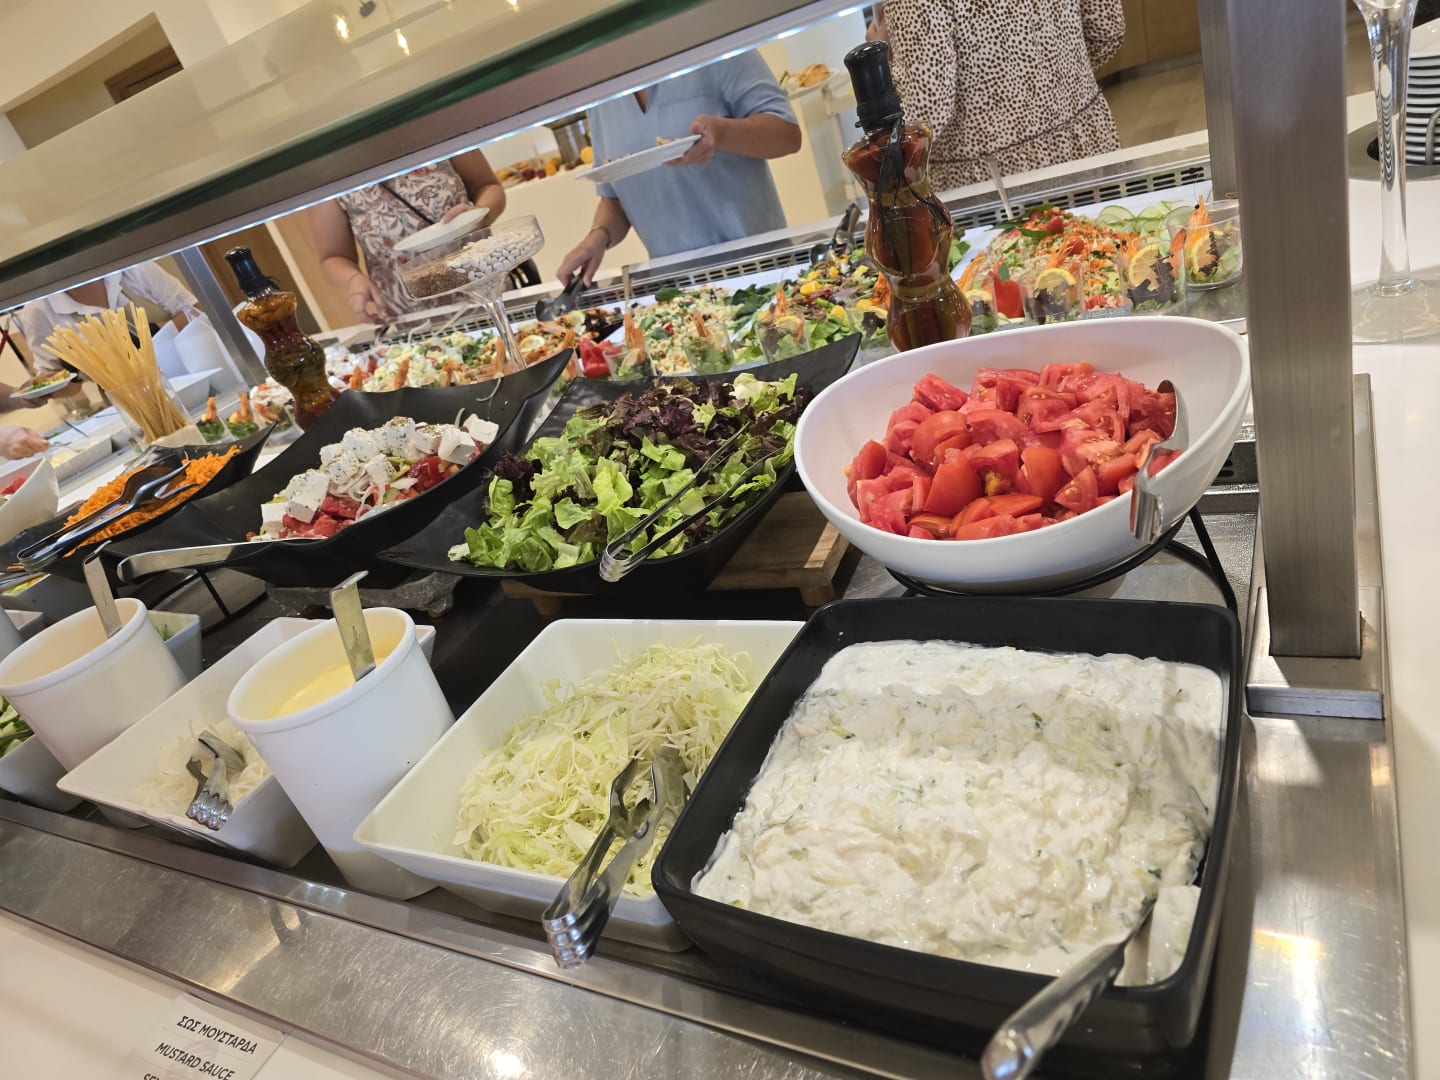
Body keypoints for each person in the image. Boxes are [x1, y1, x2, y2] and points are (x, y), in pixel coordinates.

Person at [555, 51, 803, 286]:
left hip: (761, 268)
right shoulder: (600, 95)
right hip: (676, 289)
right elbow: (615, 199)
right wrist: (598, 237)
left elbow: (788, 135)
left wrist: (721, 133)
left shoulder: (711, 43)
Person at [876, 0, 1124, 191]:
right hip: (1088, 140)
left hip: (995, 178)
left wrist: (881, 59)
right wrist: (1058, 84)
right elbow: (1107, 29)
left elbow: (927, 108)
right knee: (1108, 240)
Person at [308, 151, 508, 322]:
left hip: (487, 289)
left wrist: (481, 214)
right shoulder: (331, 175)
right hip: (412, 317)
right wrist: (353, 279)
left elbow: (489, 186)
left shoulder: (436, 128)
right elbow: (333, 257)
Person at [17, 263, 200, 378]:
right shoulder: (38, 310)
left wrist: (149, 344)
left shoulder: (131, 267)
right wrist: (41, 390)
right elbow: (59, 379)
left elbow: (195, 309)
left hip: (191, 373)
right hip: (130, 405)